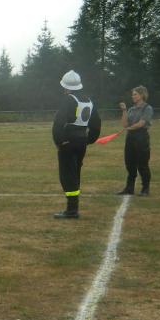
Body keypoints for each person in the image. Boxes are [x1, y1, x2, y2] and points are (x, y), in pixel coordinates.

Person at [51, 70, 101, 219]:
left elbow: (58, 123)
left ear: (66, 87)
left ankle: (72, 210)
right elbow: (96, 123)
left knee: (67, 175)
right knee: (75, 173)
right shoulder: (89, 101)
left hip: (68, 142)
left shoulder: (68, 100)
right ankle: (73, 208)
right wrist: (89, 139)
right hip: (81, 142)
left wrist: (59, 141)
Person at [117, 86, 153, 196]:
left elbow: (142, 123)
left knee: (142, 164)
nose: (133, 96)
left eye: (135, 94)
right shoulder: (131, 109)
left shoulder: (147, 108)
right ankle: (129, 188)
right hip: (130, 138)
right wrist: (124, 110)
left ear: (142, 95)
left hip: (141, 137)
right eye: (132, 94)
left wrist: (129, 128)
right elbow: (124, 124)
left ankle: (145, 189)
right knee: (130, 164)